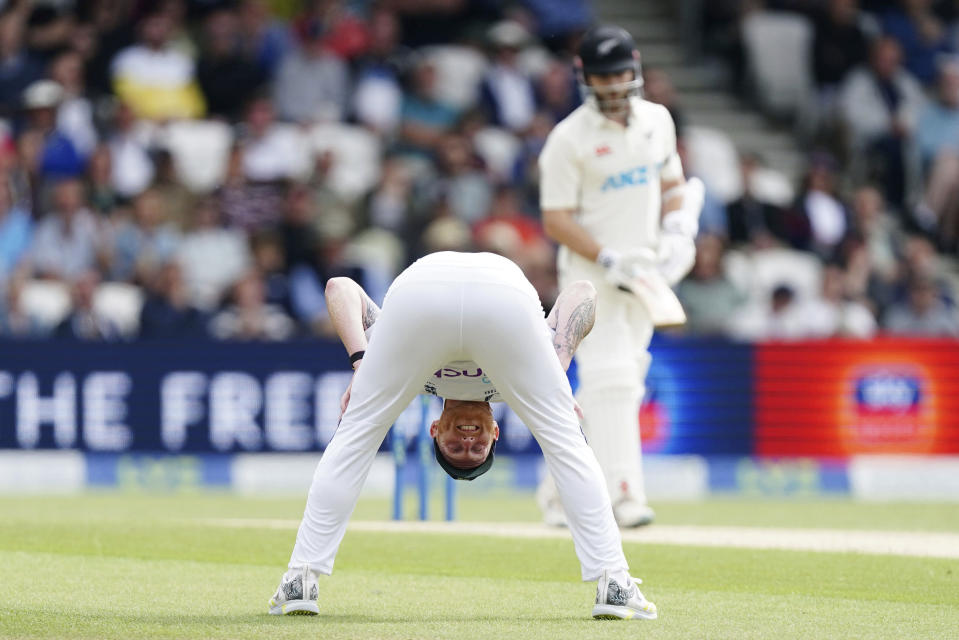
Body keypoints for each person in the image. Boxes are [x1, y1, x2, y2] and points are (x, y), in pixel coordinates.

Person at [269, 251, 657, 621]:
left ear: (434, 430)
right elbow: (583, 292)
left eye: (456, 448)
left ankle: (301, 578)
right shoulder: (517, 386)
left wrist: (361, 362)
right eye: (477, 447)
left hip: (422, 292)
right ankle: (614, 583)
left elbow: (340, 288)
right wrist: (559, 361)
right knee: (567, 441)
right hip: (499, 295)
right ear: (496, 432)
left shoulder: (416, 379)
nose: (468, 441)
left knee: (355, 434)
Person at [536, 25, 703, 528]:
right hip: (592, 278)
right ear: (586, 77)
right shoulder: (569, 138)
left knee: (620, 383)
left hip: (646, 276)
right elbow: (556, 217)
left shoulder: (657, 120)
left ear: (635, 71)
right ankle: (624, 495)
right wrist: (607, 256)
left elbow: (672, 184)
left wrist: (677, 230)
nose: (612, 87)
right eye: (603, 77)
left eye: (620, 75)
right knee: (611, 377)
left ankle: (555, 494)